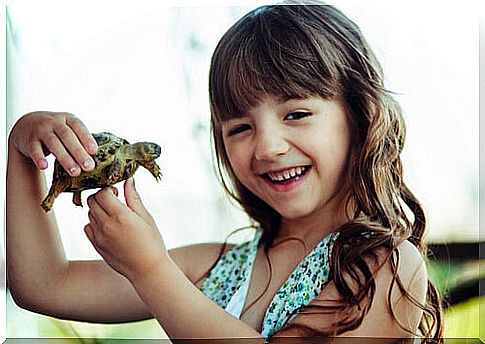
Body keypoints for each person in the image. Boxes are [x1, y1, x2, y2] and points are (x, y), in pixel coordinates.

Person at [6, 2, 443, 342]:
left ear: (359, 117)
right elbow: (44, 285)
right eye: (240, 127)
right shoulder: (217, 266)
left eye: (296, 113)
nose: (268, 147)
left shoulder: (385, 268)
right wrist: (24, 153)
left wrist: (151, 271)